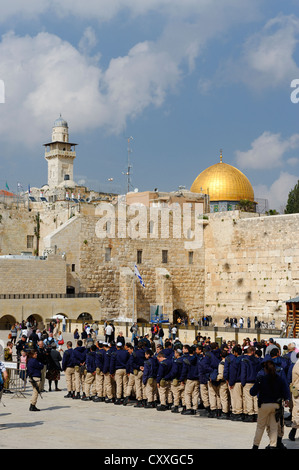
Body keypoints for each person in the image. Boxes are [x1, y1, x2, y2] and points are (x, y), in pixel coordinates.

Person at [250, 359, 290, 449]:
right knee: (274, 427)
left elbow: (252, 392)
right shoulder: (279, 379)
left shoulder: (261, 379)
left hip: (264, 405)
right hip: (276, 405)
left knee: (260, 427)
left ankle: (255, 446)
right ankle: (273, 445)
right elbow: (285, 391)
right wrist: (287, 399)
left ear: (265, 369)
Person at [289, 352, 299, 442]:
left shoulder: (296, 364)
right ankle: (293, 430)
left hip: (296, 390)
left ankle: (293, 430)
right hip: (298, 391)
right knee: (298, 411)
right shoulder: (298, 365)